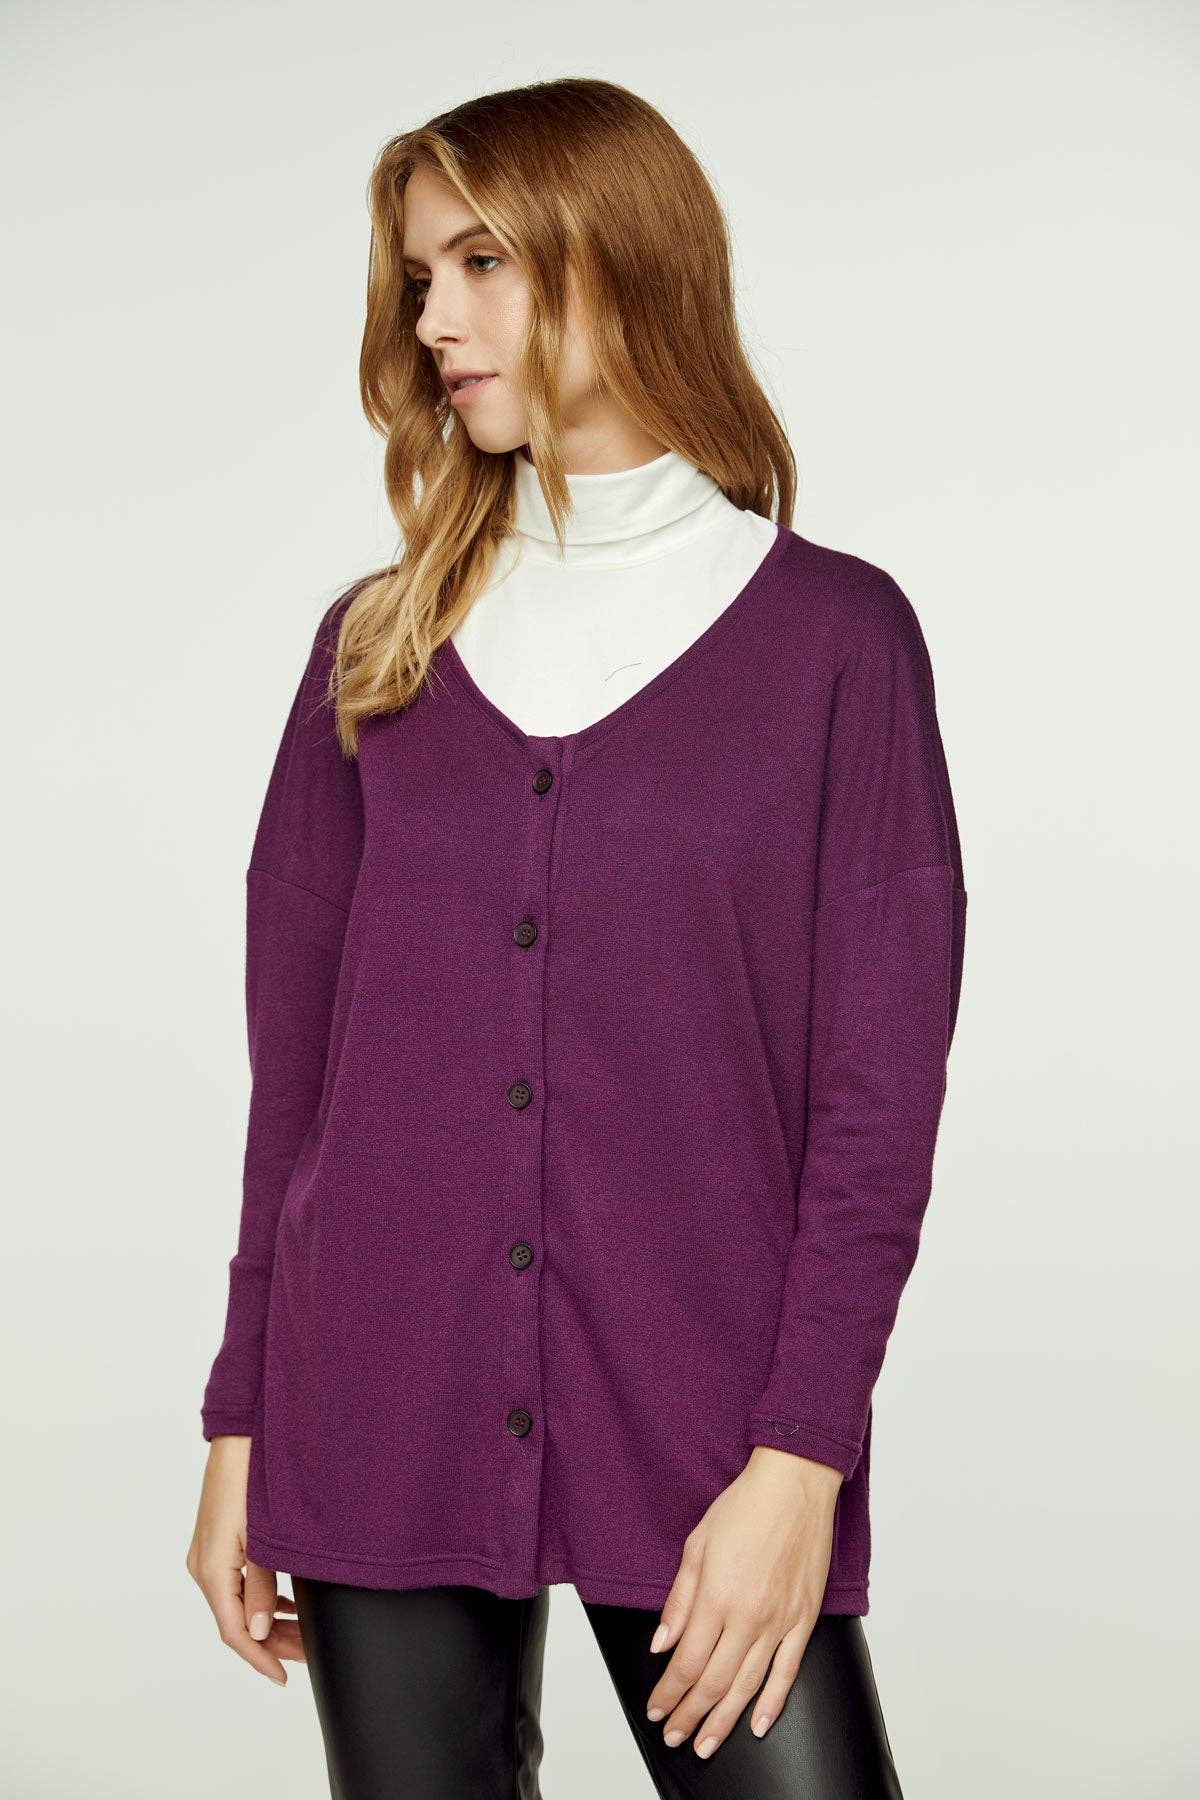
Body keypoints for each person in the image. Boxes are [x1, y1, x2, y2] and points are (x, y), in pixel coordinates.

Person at [187, 76, 967, 1799]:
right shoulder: (375, 649)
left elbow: (875, 1113)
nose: (433, 319)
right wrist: (243, 1416)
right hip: (374, 1399)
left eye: (481, 262)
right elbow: (293, 1092)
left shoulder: (838, 644)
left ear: (618, 260)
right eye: (418, 277)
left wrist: (803, 1457)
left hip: (714, 1427)